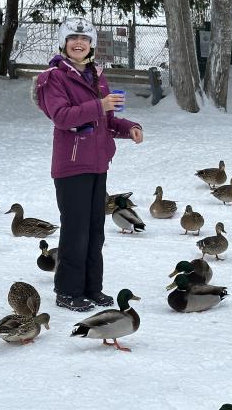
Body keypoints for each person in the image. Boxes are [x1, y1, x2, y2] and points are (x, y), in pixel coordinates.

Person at [36, 17, 143, 312]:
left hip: (98, 164)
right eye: (73, 39)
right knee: (76, 230)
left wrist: (128, 126)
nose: (79, 43)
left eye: (84, 39)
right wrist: (100, 105)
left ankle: (92, 288)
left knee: (96, 230)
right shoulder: (53, 78)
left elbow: (105, 120)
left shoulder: (97, 75)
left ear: (92, 44)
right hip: (71, 166)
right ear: (64, 44)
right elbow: (62, 116)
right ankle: (68, 291)